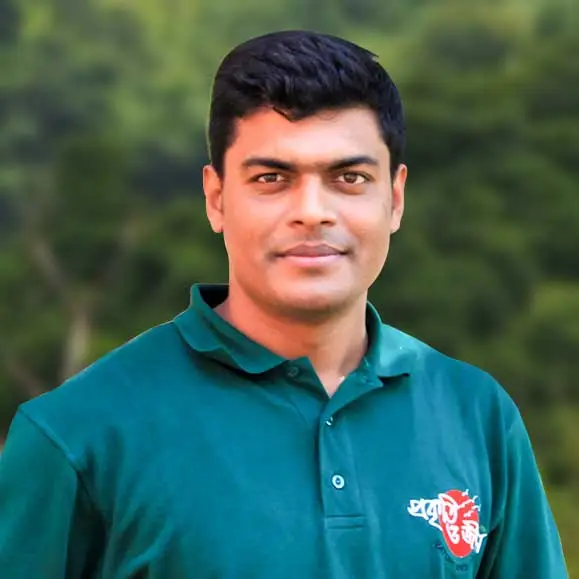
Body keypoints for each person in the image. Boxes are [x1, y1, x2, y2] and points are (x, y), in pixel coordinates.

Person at [0, 30, 568, 579]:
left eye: (349, 177)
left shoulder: (478, 416)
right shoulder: (75, 436)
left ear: (394, 199)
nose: (312, 212)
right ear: (216, 198)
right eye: (272, 178)